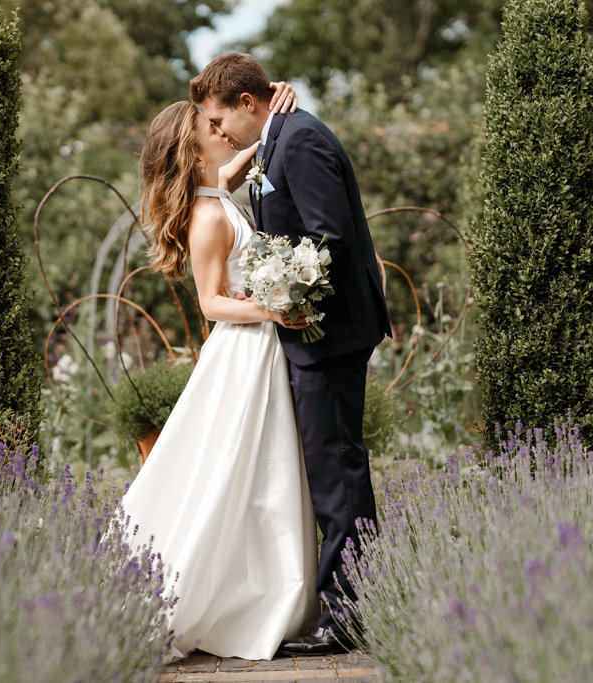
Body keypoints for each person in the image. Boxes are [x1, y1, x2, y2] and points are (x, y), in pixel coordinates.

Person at [190, 53, 391, 656]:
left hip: (327, 335)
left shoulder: (298, 141)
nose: (220, 134)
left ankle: (349, 616)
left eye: (222, 120)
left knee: (338, 475)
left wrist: (276, 296)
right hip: (311, 336)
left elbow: (329, 238)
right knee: (331, 474)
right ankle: (349, 604)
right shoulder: (278, 136)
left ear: (249, 105)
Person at [120, 84, 319, 662]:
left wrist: (280, 94)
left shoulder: (219, 189)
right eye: (211, 127)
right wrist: (272, 308)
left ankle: (265, 589)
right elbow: (210, 302)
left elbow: (247, 150)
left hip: (258, 347)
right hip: (243, 349)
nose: (222, 128)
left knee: (258, 469)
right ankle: (236, 597)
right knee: (238, 470)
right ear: (193, 150)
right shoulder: (206, 217)